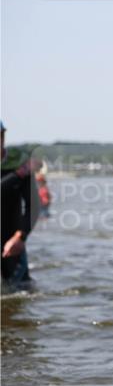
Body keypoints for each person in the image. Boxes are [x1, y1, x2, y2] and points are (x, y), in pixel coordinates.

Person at [1, 121, 41, 287]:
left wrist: (21, 236)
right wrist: (18, 175)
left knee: (22, 291)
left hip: (12, 239)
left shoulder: (19, 162)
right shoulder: (21, 169)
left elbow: (34, 206)